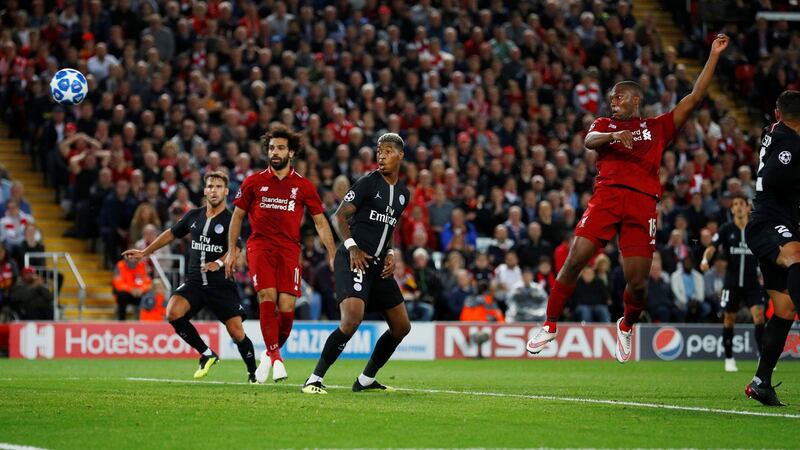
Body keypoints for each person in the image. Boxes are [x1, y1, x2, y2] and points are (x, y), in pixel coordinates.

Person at [527, 34, 730, 363]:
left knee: (637, 285)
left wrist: (714, 56)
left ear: (635, 99)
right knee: (574, 260)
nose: (613, 100)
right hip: (606, 198)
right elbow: (590, 141)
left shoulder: (657, 127)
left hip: (642, 204)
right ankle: (550, 324)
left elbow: (694, 98)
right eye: (611, 97)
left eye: (618, 96)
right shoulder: (604, 124)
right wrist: (612, 135)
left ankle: (626, 324)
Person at [301, 132, 411, 394]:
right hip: (354, 258)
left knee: (401, 327)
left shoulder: (403, 194)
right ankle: (314, 379)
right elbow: (339, 217)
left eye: (386, 151)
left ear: (400, 155)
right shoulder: (367, 183)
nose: (380, 155)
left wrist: (391, 253)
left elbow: (390, 227)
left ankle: (365, 380)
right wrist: (352, 248)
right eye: (378, 151)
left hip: (378, 265)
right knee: (351, 320)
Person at [122, 171, 258, 382]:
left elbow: (236, 248)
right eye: (210, 186)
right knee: (173, 313)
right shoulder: (193, 215)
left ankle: (252, 373)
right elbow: (171, 233)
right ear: (205, 190)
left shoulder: (232, 219)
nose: (214, 190)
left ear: (226, 191)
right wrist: (145, 252)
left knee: (236, 333)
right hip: (195, 281)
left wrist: (219, 263)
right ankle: (206, 353)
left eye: (218, 187)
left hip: (220, 284)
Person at [226, 125, 336, 384]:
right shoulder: (253, 182)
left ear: (292, 152)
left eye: (281, 148)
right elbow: (237, 216)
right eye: (272, 148)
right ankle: (277, 358)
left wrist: (332, 252)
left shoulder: (303, 186)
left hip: (289, 250)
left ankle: (267, 354)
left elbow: (320, 222)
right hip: (260, 247)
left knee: (287, 307)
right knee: (268, 295)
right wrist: (232, 250)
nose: (275, 152)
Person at [742, 90, 800, 406]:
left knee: (785, 309)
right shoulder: (789, 142)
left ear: (779, 113)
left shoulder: (777, 133)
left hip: (776, 220)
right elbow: (776, 177)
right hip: (769, 221)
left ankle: (761, 381)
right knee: (796, 256)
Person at [699, 194, 765, 373]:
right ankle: (729, 358)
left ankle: (762, 357)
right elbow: (712, 247)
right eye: (735, 204)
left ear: (747, 206)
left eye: (741, 204)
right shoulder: (726, 229)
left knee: (759, 316)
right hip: (732, 281)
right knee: (729, 318)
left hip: (752, 281)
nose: (738, 207)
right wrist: (706, 260)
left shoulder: (755, 228)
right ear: (732, 209)